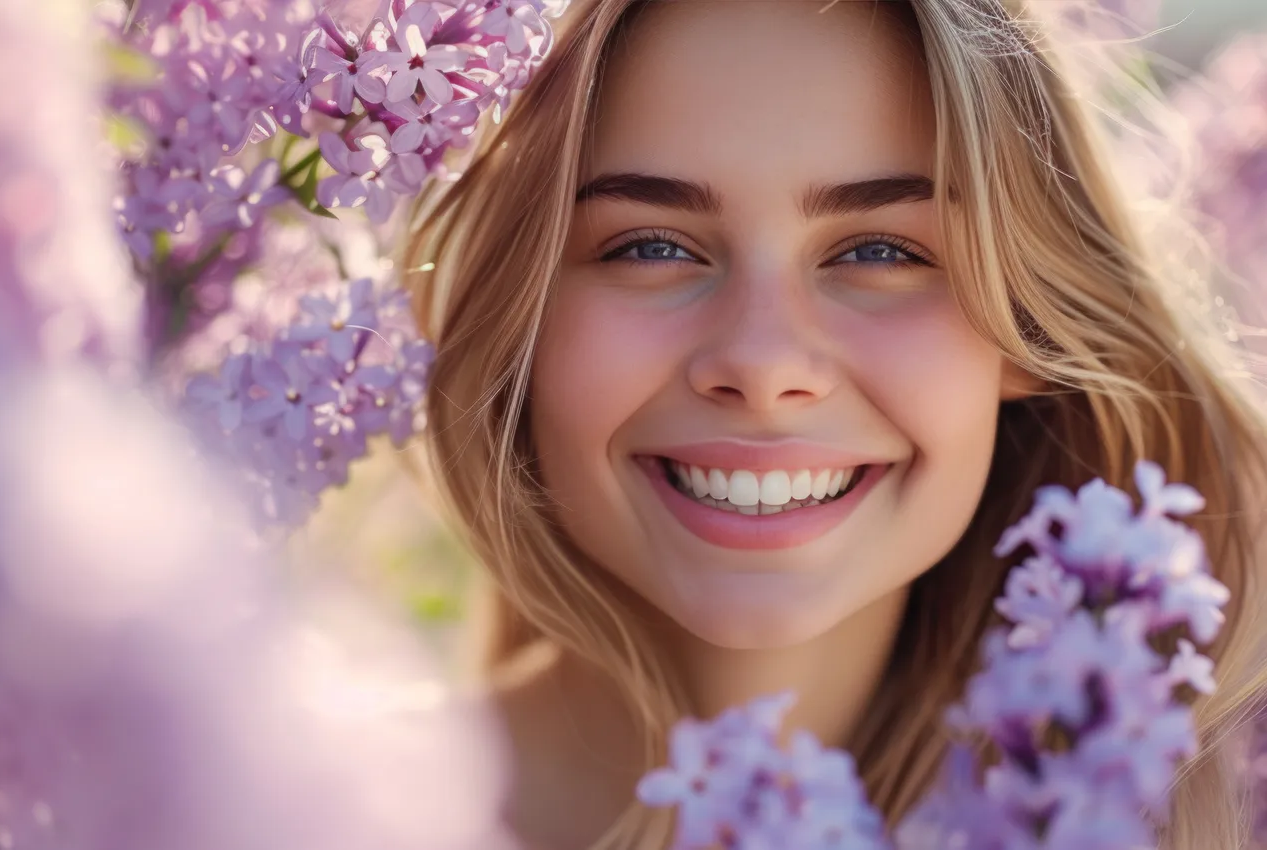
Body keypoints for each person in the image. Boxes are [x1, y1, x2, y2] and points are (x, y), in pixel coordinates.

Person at [399, 0, 1267, 847]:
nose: (763, 364)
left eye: (879, 251)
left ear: (1030, 330)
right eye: (651, 246)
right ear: (522, 314)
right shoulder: (338, 809)